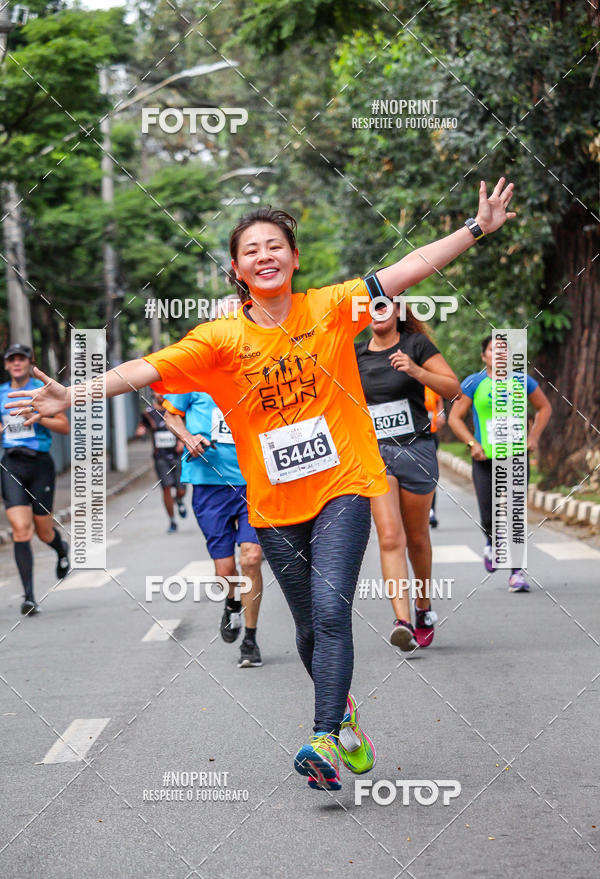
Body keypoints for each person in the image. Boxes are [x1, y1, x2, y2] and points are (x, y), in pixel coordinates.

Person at [7, 178, 516, 790]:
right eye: (252, 250)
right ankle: (345, 715)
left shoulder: (330, 307)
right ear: (237, 269)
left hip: (344, 485)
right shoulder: (220, 340)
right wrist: (77, 391)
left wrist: (477, 228)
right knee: (306, 626)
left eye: (276, 245)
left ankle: (324, 739)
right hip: (273, 505)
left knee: (331, 611)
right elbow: (146, 367)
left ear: (294, 258)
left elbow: (407, 269)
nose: (265, 256)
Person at [356, 304, 460, 651]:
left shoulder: (416, 345)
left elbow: (452, 388)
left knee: (416, 538)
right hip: (375, 454)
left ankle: (423, 606)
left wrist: (416, 371)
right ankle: (401, 621)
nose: (376, 311)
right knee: (389, 537)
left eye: (384, 304)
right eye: (368, 306)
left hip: (415, 450)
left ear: (398, 310)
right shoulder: (354, 352)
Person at [162, 390, 264, 668]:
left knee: (252, 558)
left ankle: (250, 640)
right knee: (225, 570)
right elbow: (170, 415)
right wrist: (188, 437)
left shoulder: (248, 367)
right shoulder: (191, 376)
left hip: (253, 481)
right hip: (209, 485)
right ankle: (232, 604)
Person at [448, 334, 551, 592]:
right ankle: (491, 542)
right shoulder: (474, 383)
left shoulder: (522, 381)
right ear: (484, 356)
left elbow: (544, 408)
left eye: (504, 350)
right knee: (488, 514)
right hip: (485, 460)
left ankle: (517, 573)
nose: (500, 354)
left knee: (515, 514)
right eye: (494, 350)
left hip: (516, 457)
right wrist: (473, 444)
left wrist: (534, 437)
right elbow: (455, 419)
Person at [0, 344, 70, 615]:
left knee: (43, 531)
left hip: (40, 464)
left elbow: (63, 426)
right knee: (20, 529)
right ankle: (29, 597)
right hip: (12, 464)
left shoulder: (40, 391)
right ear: (6, 365)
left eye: (22, 359)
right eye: (12, 360)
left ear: (30, 363)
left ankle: (60, 548)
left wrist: (37, 417)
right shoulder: (1, 394)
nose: (17, 364)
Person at [136, 393, 186, 533]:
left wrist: (182, 441)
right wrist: (141, 431)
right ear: (153, 393)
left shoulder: (176, 410)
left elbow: (186, 427)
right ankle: (172, 521)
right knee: (166, 488)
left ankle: (179, 500)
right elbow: (142, 426)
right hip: (161, 457)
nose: (161, 395)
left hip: (177, 455)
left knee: (181, 490)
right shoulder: (149, 413)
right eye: (159, 392)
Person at [424, 385, 445, 528]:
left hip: (430, 435)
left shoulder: (431, 385)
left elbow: (440, 408)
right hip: (411, 437)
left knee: (430, 472)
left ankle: (431, 510)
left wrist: (441, 416)